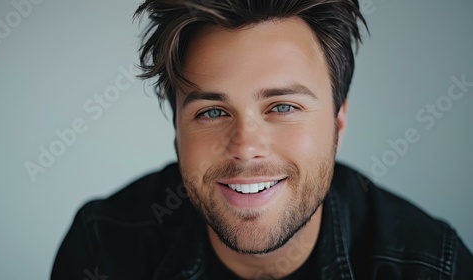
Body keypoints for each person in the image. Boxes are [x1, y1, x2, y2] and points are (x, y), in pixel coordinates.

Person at [51, 0, 473, 279]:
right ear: (178, 133)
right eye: (212, 112)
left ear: (338, 123)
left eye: (283, 107)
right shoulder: (102, 250)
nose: (246, 146)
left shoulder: (430, 263)